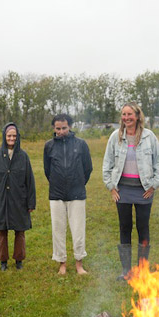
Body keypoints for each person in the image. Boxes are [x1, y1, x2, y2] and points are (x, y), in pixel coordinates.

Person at [103, 103, 159, 279]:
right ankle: (126, 271)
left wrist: (154, 184)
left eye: (130, 114)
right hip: (122, 191)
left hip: (143, 190)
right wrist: (111, 186)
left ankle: (142, 271)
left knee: (143, 228)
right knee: (125, 227)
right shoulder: (116, 137)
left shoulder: (149, 137)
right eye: (123, 114)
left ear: (137, 116)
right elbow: (107, 163)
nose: (126, 117)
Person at [44, 114, 93, 275]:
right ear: (54, 128)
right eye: (58, 128)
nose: (61, 131)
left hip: (77, 194)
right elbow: (47, 170)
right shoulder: (49, 146)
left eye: (64, 128)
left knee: (78, 230)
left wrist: (78, 182)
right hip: (56, 194)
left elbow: (87, 168)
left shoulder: (81, 144)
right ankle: (62, 263)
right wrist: (57, 183)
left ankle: (79, 263)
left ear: (70, 127)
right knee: (58, 230)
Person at [0, 123, 36, 271]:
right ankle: (3, 261)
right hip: (0, 199)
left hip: (19, 199)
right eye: (9, 135)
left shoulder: (23, 156)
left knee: (20, 231)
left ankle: (19, 259)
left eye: (14, 136)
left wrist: (30, 203)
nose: (11, 138)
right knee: (1, 231)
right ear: (4, 136)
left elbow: (30, 180)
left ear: (18, 137)